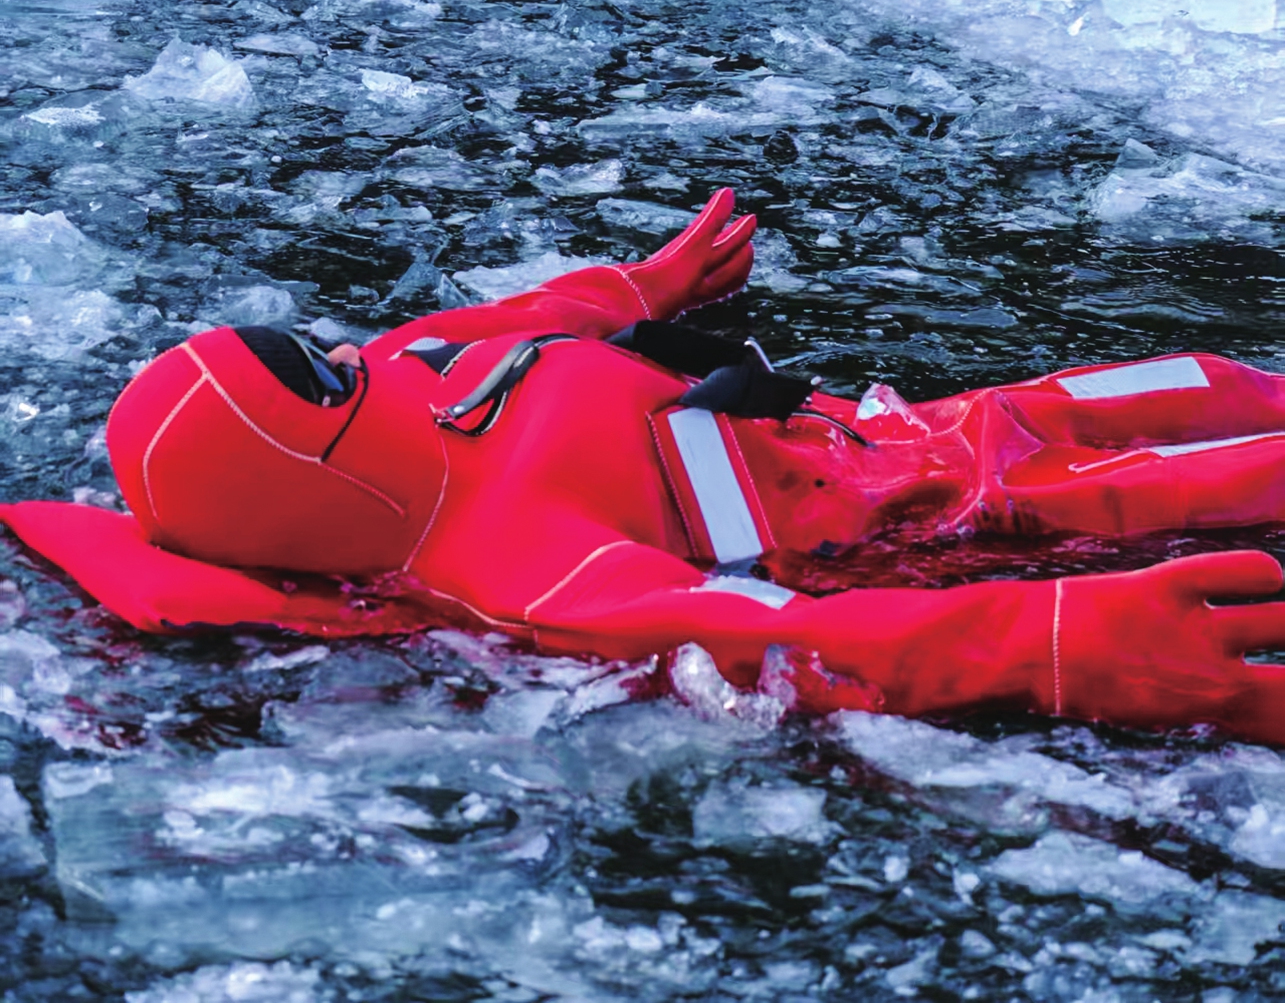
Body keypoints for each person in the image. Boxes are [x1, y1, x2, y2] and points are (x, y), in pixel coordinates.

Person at [5, 189, 1285, 744]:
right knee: (1220, 471)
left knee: (1195, 383)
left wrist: (647, 282)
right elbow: (777, 627)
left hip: (885, 429)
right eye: (319, 370)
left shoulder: (410, 372)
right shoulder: (524, 562)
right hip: (934, 515)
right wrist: (1050, 636)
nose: (350, 347)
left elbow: (523, 321)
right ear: (313, 468)